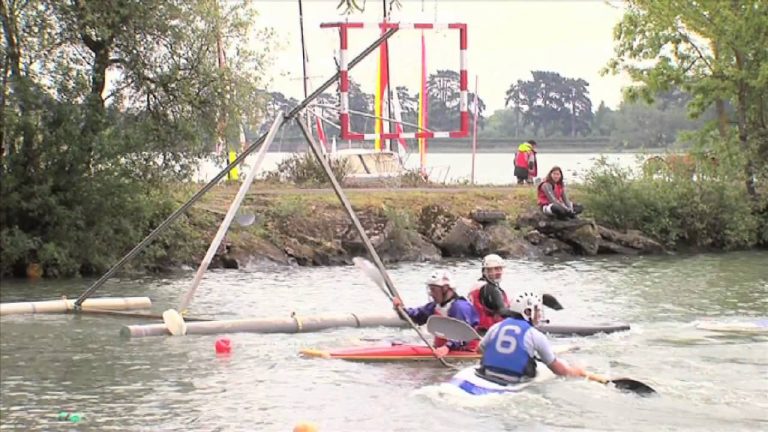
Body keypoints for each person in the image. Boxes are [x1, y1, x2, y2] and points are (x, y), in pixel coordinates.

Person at [476, 289, 586, 382]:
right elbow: (558, 370)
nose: (539, 315)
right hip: (514, 380)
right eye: (537, 310)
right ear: (527, 312)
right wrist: (575, 371)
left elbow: (479, 350)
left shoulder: (496, 327)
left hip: (486, 374)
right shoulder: (535, 335)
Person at [392, 270, 480, 355]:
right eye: (430, 289)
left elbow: (463, 334)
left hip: (465, 352)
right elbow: (414, 317)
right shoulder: (435, 306)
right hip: (443, 350)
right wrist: (400, 309)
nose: (431, 294)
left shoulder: (460, 307)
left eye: (433, 290)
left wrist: (447, 347)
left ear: (445, 288)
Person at [467, 254, 515, 335]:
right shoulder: (491, 290)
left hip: (476, 331)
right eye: (495, 269)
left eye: (500, 269)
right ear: (485, 271)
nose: (499, 272)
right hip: (489, 333)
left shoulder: (477, 286)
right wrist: (521, 316)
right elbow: (502, 312)